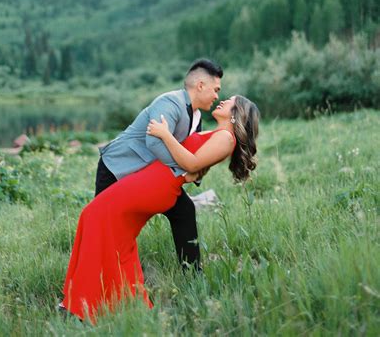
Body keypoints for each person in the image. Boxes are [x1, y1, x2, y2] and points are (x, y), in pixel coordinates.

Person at [59, 94, 259, 323]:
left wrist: (164, 135)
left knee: (94, 215)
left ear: (236, 114)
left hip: (157, 185)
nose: (222, 100)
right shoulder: (216, 133)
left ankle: (86, 303)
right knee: (117, 236)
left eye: (230, 101)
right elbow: (193, 167)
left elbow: (192, 164)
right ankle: (122, 304)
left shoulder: (226, 137)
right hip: (154, 179)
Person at [95, 58, 223, 270]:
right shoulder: (170, 103)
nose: (217, 96)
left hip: (149, 178)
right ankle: (86, 288)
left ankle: (192, 275)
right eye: (216, 89)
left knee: (184, 211)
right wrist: (186, 170)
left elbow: (190, 154)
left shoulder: (197, 117)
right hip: (117, 168)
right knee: (102, 227)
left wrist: (197, 172)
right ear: (201, 85)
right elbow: (154, 142)